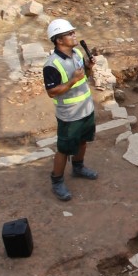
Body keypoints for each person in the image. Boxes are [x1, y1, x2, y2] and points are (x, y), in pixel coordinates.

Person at [43, 18, 99, 201]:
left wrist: (89, 68)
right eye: (70, 33)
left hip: (86, 109)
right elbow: (52, 92)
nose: (74, 35)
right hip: (69, 115)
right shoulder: (52, 64)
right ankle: (57, 181)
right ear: (59, 40)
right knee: (64, 149)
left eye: (73, 32)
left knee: (83, 141)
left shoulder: (76, 54)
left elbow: (84, 77)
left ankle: (78, 167)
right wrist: (72, 80)